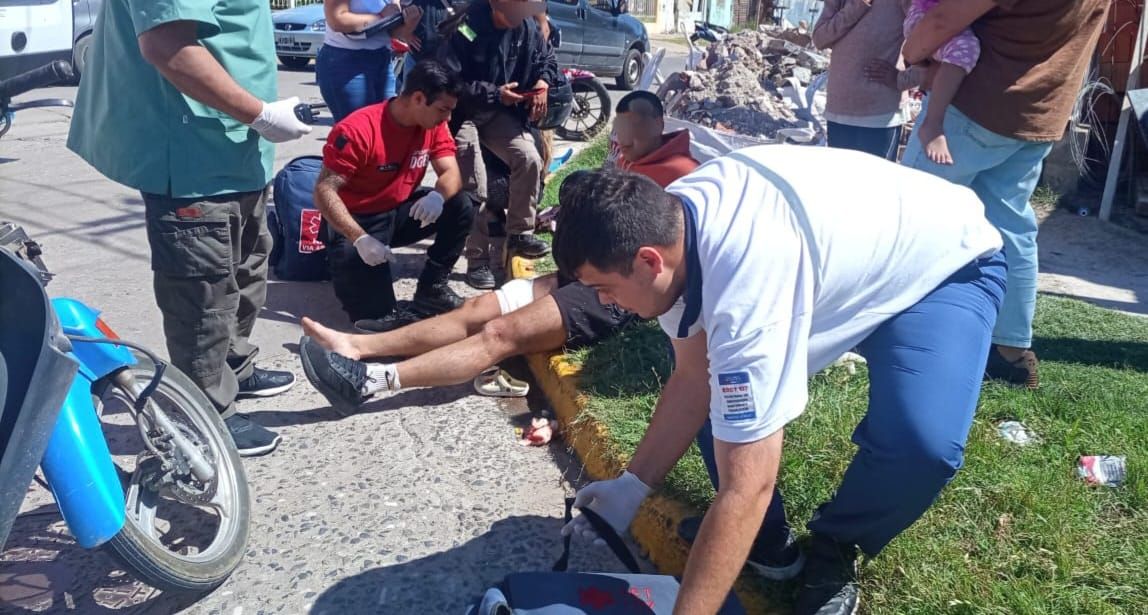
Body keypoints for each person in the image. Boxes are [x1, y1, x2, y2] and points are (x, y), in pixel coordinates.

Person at [551, 146, 1006, 615]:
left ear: (649, 263)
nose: (605, 302)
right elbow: (694, 379)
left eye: (603, 287)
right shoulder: (670, 221)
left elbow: (749, 486)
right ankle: (767, 547)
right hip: (850, 255)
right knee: (722, 396)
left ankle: (836, 544)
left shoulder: (746, 287)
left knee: (921, 445)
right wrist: (631, 487)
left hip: (944, 266)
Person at [295, 109, 700, 409]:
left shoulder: (679, 173)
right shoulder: (628, 160)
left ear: (657, 130)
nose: (620, 150)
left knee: (500, 334)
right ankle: (358, 347)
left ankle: (370, 381)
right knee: (478, 308)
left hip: (619, 289)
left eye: (629, 143)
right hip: (596, 269)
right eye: (618, 141)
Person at [66, 0, 313, 456]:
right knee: (204, 292)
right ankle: (203, 409)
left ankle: (231, 368)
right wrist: (257, 112)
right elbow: (167, 46)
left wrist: (256, 119)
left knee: (246, 270)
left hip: (235, 146)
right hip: (193, 153)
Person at [902, 0, 1109, 388]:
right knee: (1012, 228)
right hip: (1039, 114)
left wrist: (911, 51)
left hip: (974, 105)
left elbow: (945, 19)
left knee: (911, 216)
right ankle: (1010, 351)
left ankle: (880, 326)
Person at [314, 60, 475, 332]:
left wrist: (437, 196)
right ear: (418, 98)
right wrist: (359, 238)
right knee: (378, 321)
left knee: (460, 205)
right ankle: (347, 263)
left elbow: (452, 174)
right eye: (443, 109)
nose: (447, 118)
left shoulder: (432, 125)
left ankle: (432, 288)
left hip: (397, 210)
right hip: (358, 221)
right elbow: (323, 191)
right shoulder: (359, 130)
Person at [437, 0, 558, 290]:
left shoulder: (526, 27)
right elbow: (449, 79)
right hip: (461, 113)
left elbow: (547, 61)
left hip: (500, 112)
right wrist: (494, 93)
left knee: (529, 157)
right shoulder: (466, 28)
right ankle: (476, 260)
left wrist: (543, 82)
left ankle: (519, 233)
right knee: (474, 183)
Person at [811, 0, 921, 160]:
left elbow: (932, 44)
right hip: (839, 111)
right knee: (841, 182)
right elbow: (820, 39)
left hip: (880, 116)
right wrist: (857, 6)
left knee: (876, 183)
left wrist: (902, 79)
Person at [899, 0, 979, 164]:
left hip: (932, 17)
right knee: (967, 48)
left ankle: (924, 71)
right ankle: (932, 123)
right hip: (927, 18)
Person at [317, 0, 423, 123]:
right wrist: (381, 17)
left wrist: (409, 23)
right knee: (357, 130)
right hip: (346, 62)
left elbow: (393, 32)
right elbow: (336, 20)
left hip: (382, 58)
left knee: (385, 127)